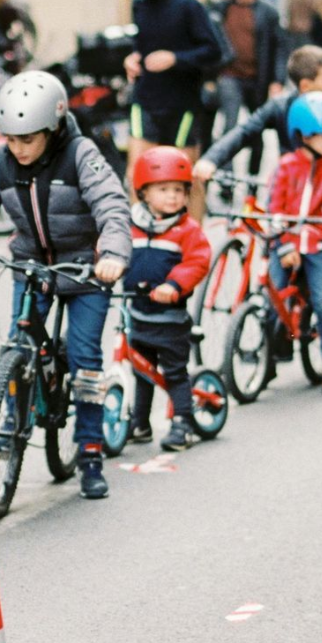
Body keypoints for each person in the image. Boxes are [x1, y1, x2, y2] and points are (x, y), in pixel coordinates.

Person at [0, 70, 130, 500]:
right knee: (20, 343)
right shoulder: (3, 159)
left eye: (27, 139)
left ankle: (89, 452)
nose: (18, 148)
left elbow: (111, 203)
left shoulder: (80, 154)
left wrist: (112, 255)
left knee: (86, 356)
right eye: (11, 139)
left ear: (52, 129)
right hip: (33, 268)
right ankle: (13, 420)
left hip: (86, 272)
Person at [196, 44, 322, 374]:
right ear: (306, 85)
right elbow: (243, 132)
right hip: (292, 195)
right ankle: (276, 337)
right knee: (276, 256)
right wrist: (209, 160)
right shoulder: (280, 107)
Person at [125, 0, 223, 212]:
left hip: (182, 103)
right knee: (137, 173)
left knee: (186, 177)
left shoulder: (188, 6)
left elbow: (214, 51)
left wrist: (175, 59)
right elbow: (142, 45)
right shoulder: (139, 4)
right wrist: (132, 58)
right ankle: (139, 239)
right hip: (145, 98)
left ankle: (195, 244)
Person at [126, 147, 211, 451]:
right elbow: (113, 251)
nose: (173, 197)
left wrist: (175, 284)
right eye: (163, 189)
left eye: (179, 190)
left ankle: (183, 422)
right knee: (141, 371)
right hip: (138, 314)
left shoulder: (187, 230)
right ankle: (139, 421)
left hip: (170, 319)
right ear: (144, 193)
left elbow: (198, 261)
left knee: (174, 372)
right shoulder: (131, 225)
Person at [269, 93, 322, 396]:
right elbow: (275, 208)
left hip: (318, 244)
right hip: (287, 242)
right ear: (305, 135)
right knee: (273, 296)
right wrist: (283, 246)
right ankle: (272, 354)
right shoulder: (286, 166)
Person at [208, 0, 285, 174]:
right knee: (229, 128)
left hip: (257, 78)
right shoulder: (220, 9)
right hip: (229, 75)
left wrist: (277, 80)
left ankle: (252, 179)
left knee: (256, 130)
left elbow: (278, 47)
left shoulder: (267, 12)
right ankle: (227, 179)